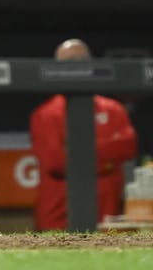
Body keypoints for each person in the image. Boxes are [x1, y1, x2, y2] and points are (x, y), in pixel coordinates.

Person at [29, 39, 137, 230]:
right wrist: (106, 161)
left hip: (108, 216)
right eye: (69, 61)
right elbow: (56, 162)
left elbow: (127, 147)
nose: (76, 66)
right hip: (58, 219)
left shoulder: (113, 109)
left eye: (81, 59)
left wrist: (76, 152)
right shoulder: (45, 114)